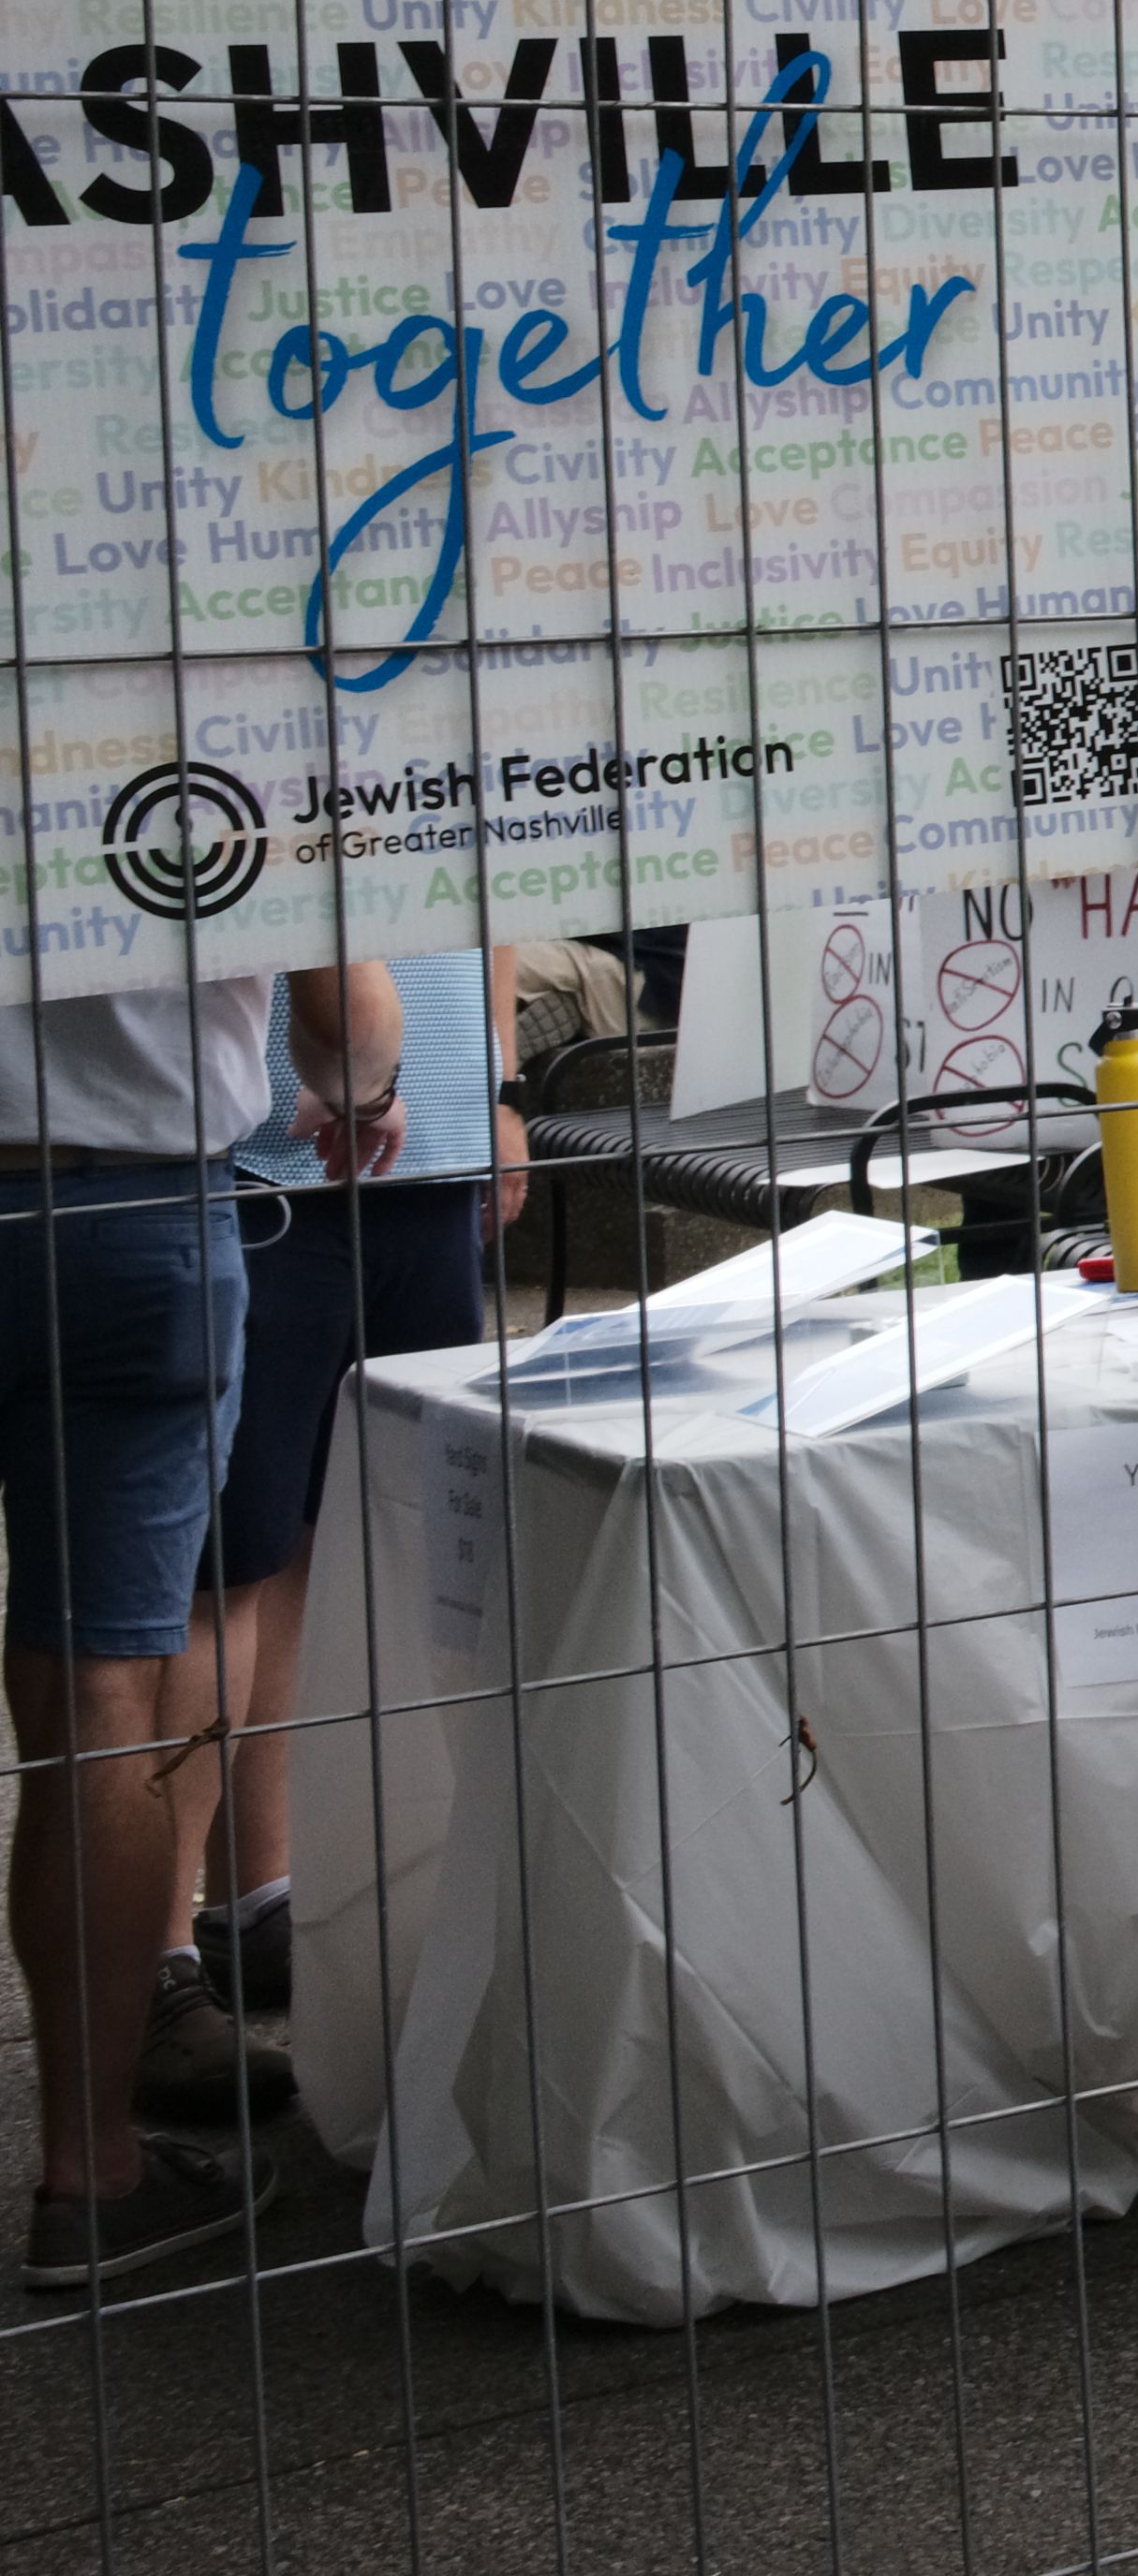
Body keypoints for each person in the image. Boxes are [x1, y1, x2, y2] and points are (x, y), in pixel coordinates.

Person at [12, 960, 401, 2289]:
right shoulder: (208, 750)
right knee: (100, 1699)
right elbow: (344, 1019)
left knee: (75, 1694)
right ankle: (90, 2175)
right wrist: (367, 1088)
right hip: (132, 1208)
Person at [147, 949, 524, 2130]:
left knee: (336, 1533)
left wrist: (501, 1087)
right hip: (277, 1150)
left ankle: (262, 1892)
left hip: (432, 1141)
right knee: (226, 1564)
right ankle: (154, 1964)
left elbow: (497, 876)